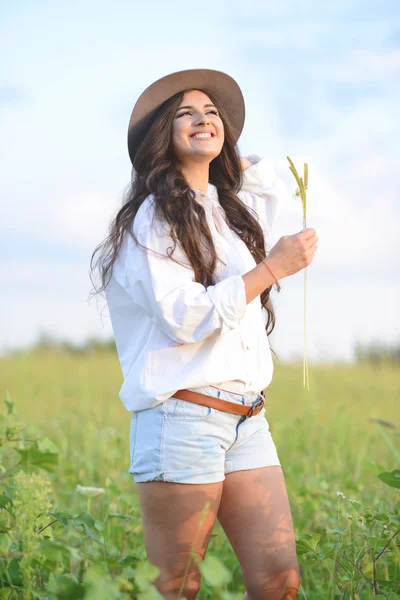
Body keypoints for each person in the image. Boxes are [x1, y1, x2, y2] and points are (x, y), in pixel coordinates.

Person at [89, 68, 318, 600]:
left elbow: (269, 185)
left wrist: (220, 154)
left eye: (212, 112)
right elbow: (184, 316)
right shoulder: (152, 218)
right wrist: (275, 268)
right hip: (183, 418)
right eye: (185, 114)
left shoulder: (227, 213)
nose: (203, 118)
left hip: (248, 419)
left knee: (280, 580)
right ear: (161, 135)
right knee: (176, 585)